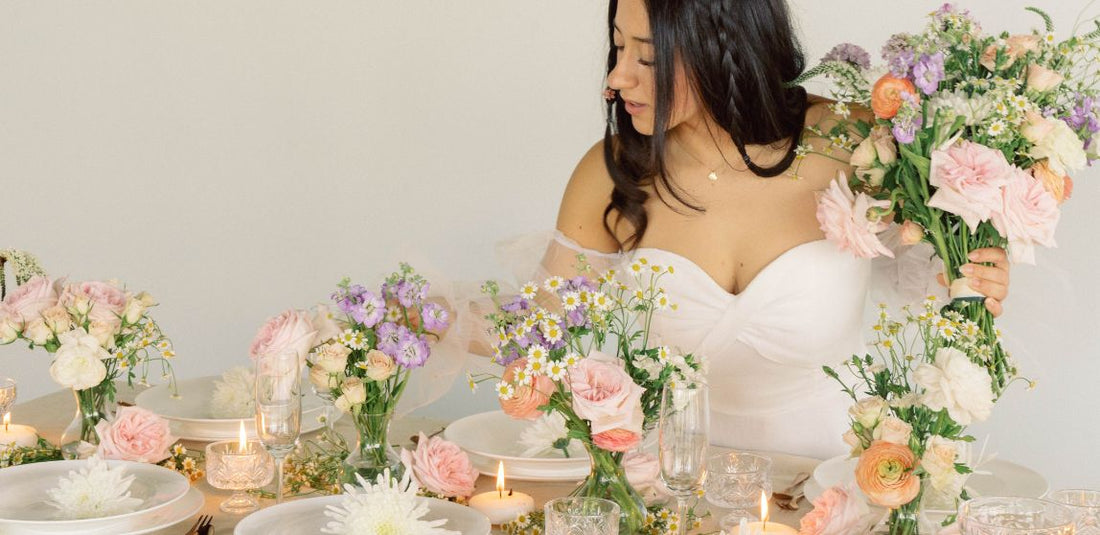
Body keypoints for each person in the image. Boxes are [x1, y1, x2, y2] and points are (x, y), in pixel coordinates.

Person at [542, 0, 1011, 458]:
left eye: (648, 56)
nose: (617, 78)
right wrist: (466, 324)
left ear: (725, 45)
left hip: (841, 481)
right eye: (618, 47)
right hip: (675, 483)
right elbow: (538, 330)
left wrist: (979, 270)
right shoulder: (615, 170)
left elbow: (945, 265)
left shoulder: (854, 142)